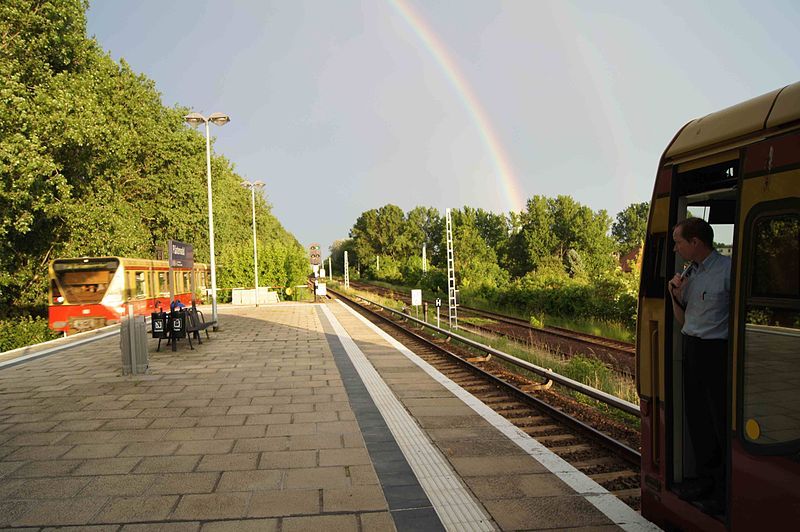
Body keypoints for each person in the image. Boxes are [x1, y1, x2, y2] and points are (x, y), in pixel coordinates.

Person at [668, 217, 731, 516]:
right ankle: (706, 480)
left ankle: (725, 489)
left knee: (719, 421)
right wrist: (674, 295)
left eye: (678, 241)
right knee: (698, 420)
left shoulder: (727, 270)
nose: (675, 247)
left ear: (695, 243)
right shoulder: (689, 274)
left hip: (716, 352)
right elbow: (684, 321)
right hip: (692, 348)